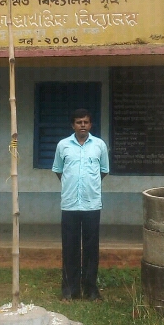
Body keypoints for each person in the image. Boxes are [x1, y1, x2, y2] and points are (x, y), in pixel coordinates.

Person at [52, 109, 109, 301]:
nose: (82, 125)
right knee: (70, 247)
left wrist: (90, 186)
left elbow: (104, 170)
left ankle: (91, 289)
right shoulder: (63, 145)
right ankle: (70, 290)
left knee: (91, 248)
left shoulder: (99, 145)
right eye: (78, 122)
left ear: (90, 124)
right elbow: (58, 170)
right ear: (73, 125)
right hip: (70, 204)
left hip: (92, 204)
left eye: (85, 122)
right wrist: (71, 185)